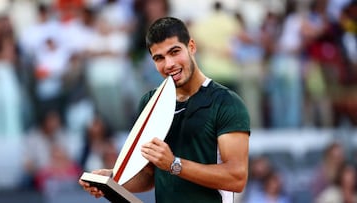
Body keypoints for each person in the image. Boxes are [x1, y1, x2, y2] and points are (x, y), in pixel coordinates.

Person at [79, 16, 250, 203]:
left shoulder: (226, 102)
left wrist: (174, 164)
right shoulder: (150, 102)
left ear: (191, 47)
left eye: (174, 52)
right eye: (159, 58)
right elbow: (150, 176)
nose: (169, 64)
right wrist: (112, 180)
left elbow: (236, 178)